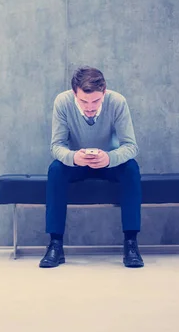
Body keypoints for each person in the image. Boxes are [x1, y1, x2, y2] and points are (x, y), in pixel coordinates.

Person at [39, 66, 144, 268]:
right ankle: (55, 244)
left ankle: (131, 243)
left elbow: (131, 146)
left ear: (104, 92)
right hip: (77, 161)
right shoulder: (62, 102)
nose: (90, 107)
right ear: (74, 94)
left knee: (131, 169)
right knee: (55, 170)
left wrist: (109, 158)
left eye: (95, 101)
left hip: (109, 161)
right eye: (83, 101)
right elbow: (56, 146)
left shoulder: (117, 102)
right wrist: (73, 157)